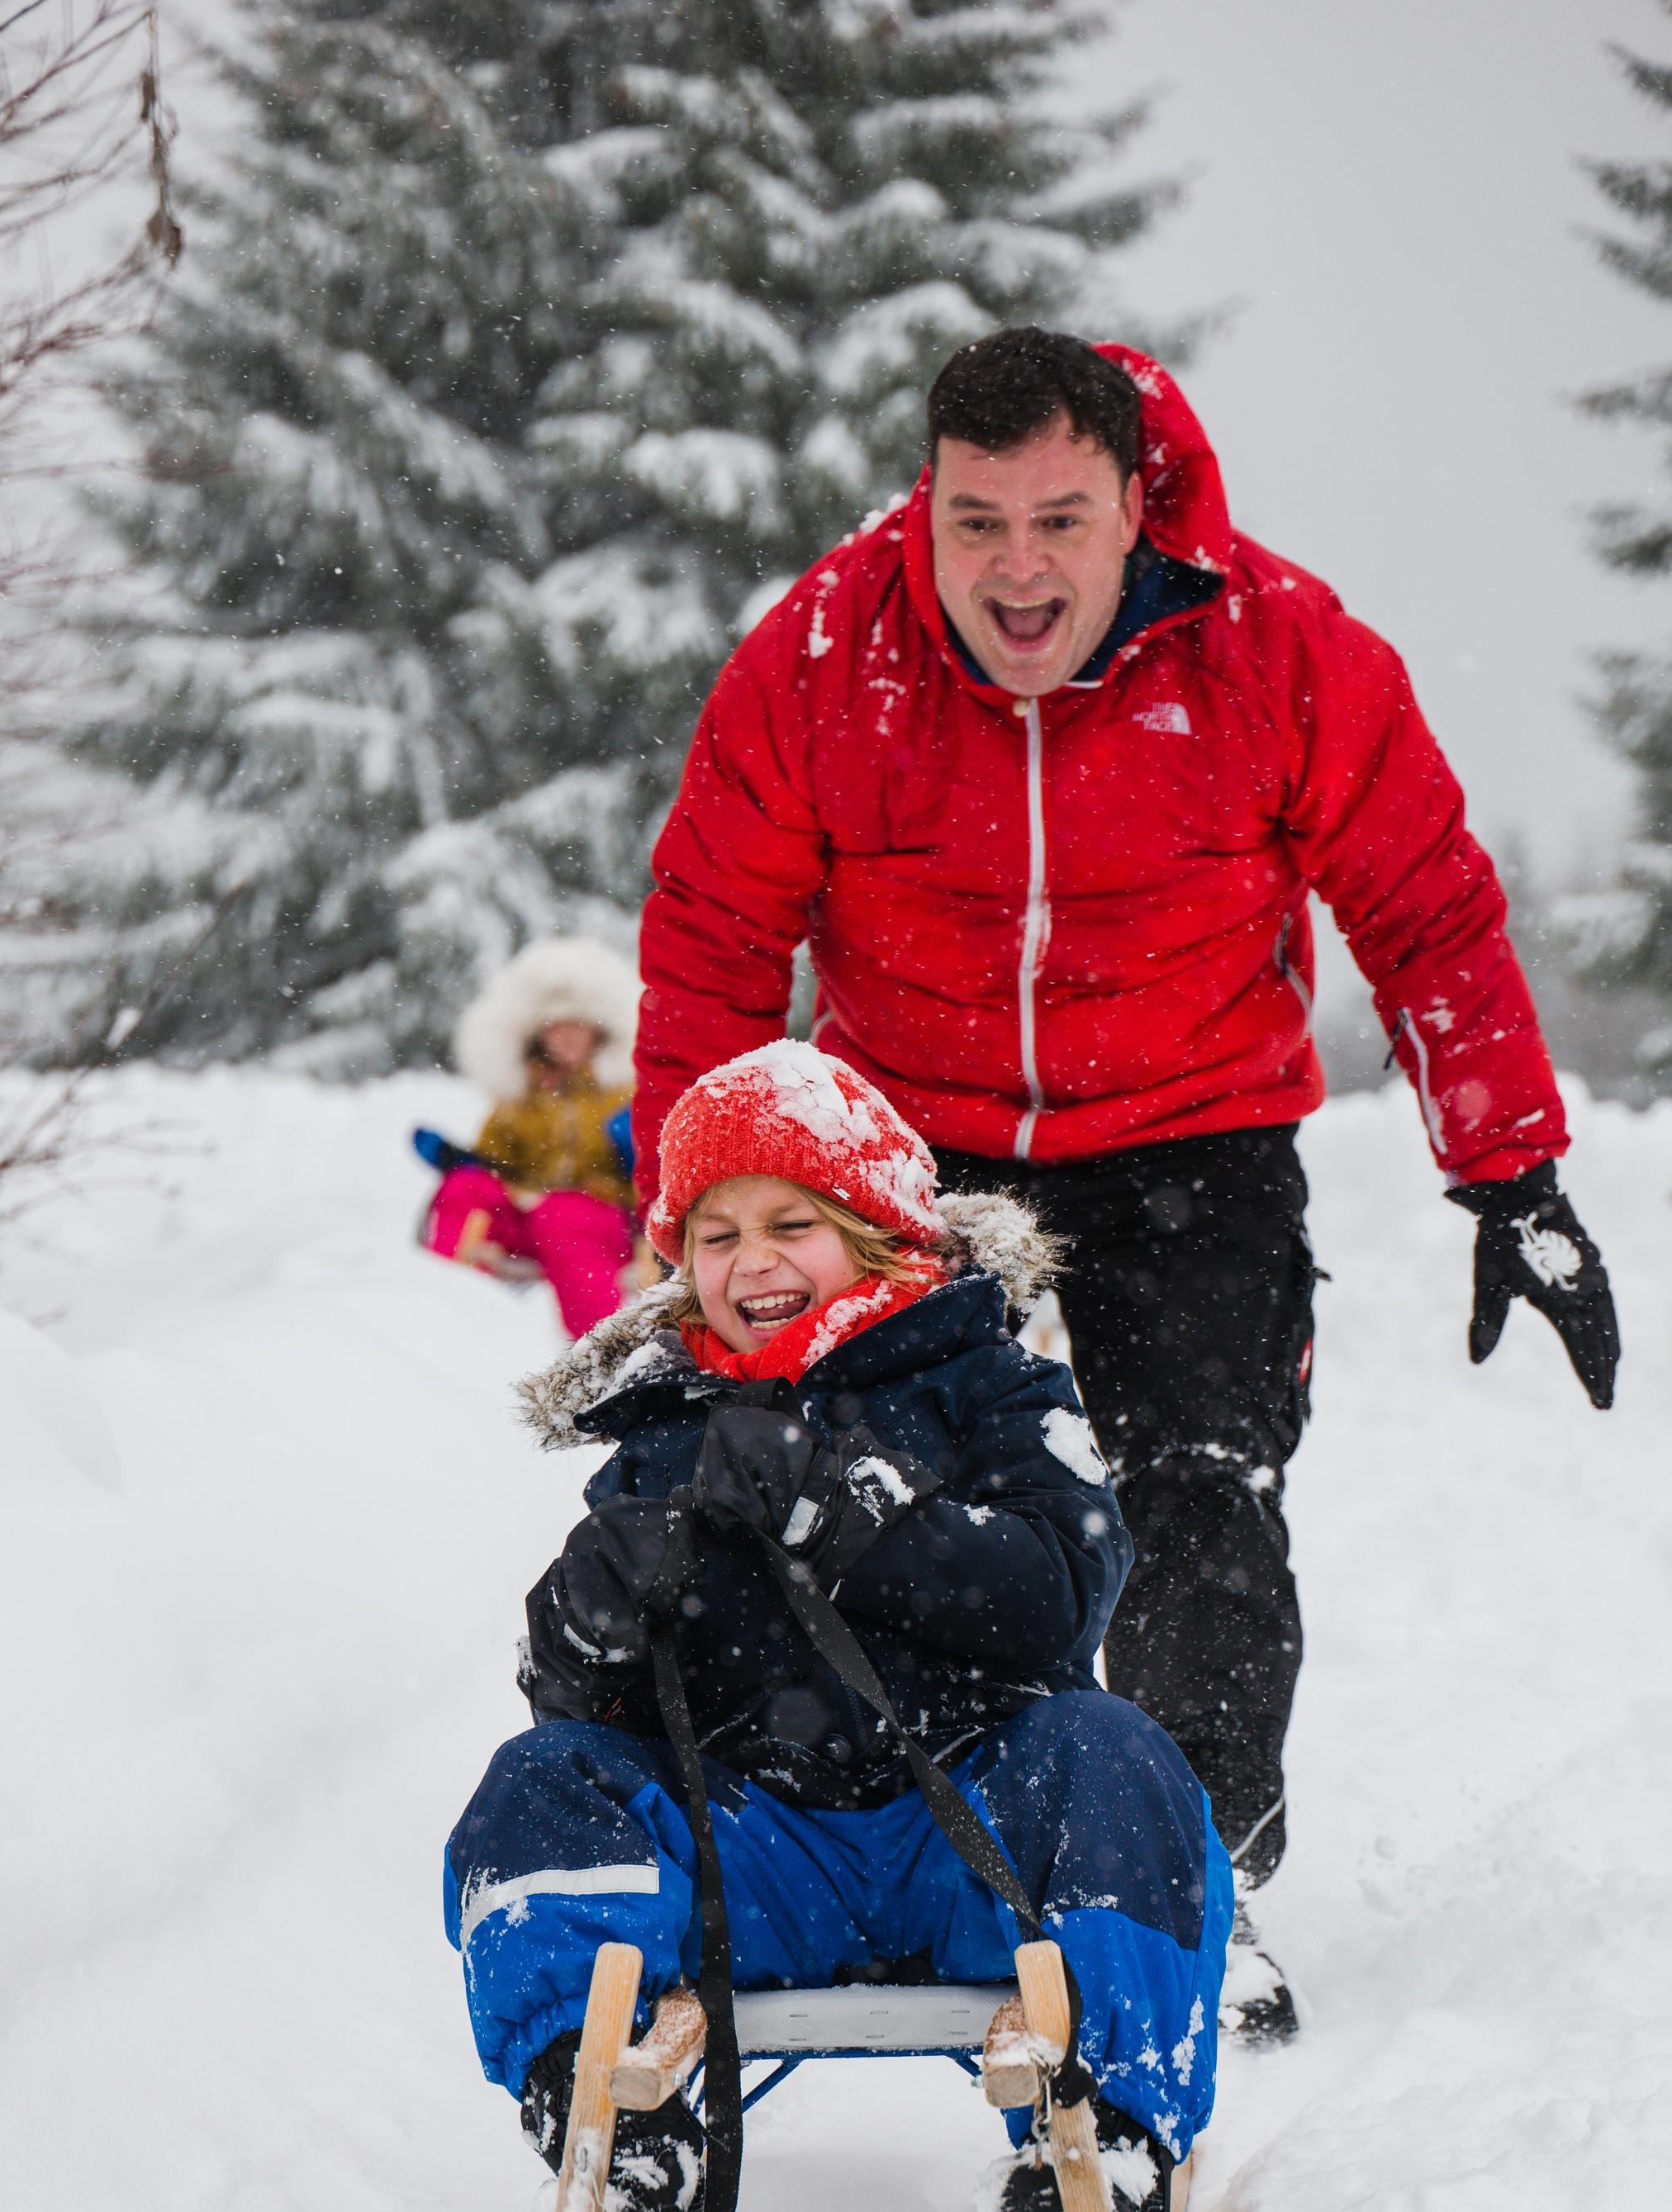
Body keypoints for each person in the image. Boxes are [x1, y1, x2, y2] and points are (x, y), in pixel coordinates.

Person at [631, 327, 1622, 2043]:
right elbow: (714, 937)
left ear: (1133, 505)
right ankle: (931, 1859)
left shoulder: (1276, 647)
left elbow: (1425, 904)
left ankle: (1187, 1892)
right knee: (885, 1510)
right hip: (912, 1154)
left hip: (1193, 1144)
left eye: (1062, 521)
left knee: (1202, 1504)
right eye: (979, 522)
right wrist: (695, 1219)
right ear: (924, 508)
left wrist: (1509, 1165)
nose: (1019, 569)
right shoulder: (822, 658)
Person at [444, 1043, 1231, 2212]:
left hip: (970, 1836)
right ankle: (620, 2143)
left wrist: (856, 1519)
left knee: (1117, 1753)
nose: (750, 1261)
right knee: (537, 1790)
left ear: (875, 1233)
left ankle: (1112, 2133)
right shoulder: (666, 1424)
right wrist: (589, 1620)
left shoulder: (994, 1385)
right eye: (715, 1232)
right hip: (751, 1855)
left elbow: (1061, 1591)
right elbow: (591, 1722)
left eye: (790, 1224)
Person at [420, 937, 640, 1339]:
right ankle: (437, 1311)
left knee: (563, 1214)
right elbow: (493, 1161)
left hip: (597, 1220)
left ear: (598, 1032)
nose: (569, 1038)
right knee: (463, 1188)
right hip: (527, 1215)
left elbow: (649, 1175)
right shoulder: (520, 1097)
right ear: (539, 1035)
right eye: (558, 1029)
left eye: (578, 1028)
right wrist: (461, 1162)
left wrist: (628, 1158)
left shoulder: (622, 1092)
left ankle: (601, 1346)